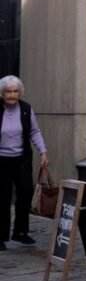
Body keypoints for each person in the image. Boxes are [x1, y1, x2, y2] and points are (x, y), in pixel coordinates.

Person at [0, 75, 48, 251]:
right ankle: (0, 236)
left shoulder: (26, 109)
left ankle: (20, 232)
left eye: (15, 91)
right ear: (2, 93)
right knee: (2, 198)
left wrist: (43, 151)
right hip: (1, 160)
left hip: (21, 160)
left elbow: (34, 132)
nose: (12, 95)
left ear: (20, 93)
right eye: (8, 92)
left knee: (25, 194)